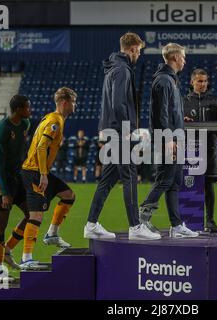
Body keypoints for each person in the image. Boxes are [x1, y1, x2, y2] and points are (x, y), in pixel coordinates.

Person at [83, 32, 159, 241]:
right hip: (118, 132)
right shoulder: (123, 70)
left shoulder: (112, 68)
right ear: (133, 48)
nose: (139, 55)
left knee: (108, 180)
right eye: (139, 51)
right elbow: (118, 104)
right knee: (130, 177)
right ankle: (135, 226)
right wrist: (126, 130)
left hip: (111, 130)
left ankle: (91, 224)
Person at [138, 43, 198, 238]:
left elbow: (169, 111)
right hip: (168, 139)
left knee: (174, 182)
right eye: (182, 57)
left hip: (175, 137)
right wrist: (167, 138)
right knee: (164, 179)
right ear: (173, 58)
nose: (184, 60)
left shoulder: (171, 80)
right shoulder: (164, 80)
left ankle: (176, 225)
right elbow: (159, 113)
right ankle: (141, 219)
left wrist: (181, 120)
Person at [20, 87, 77, 269]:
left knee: (68, 195)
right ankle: (26, 258)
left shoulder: (53, 118)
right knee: (36, 214)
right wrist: (44, 174)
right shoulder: (55, 122)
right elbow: (41, 148)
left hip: (40, 170)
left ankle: (52, 234)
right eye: (74, 102)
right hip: (34, 172)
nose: (75, 105)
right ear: (65, 102)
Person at [0, 95, 31, 281]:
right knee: (1, 223)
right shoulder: (2, 128)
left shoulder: (25, 124)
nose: (30, 110)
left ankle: (8, 249)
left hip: (16, 177)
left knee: (32, 214)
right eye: (27, 107)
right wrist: (5, 192)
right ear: (18, 109)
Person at [183, 68, 217, 233]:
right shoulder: (184, 101)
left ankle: (209, 220)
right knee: (190, 185)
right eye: (199, 81)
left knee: (209, 185)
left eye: (205, 81)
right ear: (192, 82)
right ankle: (189, 222)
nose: (202, 84)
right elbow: (176, 124)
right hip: (190, 148)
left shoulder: (215, 100)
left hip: (209, 147)